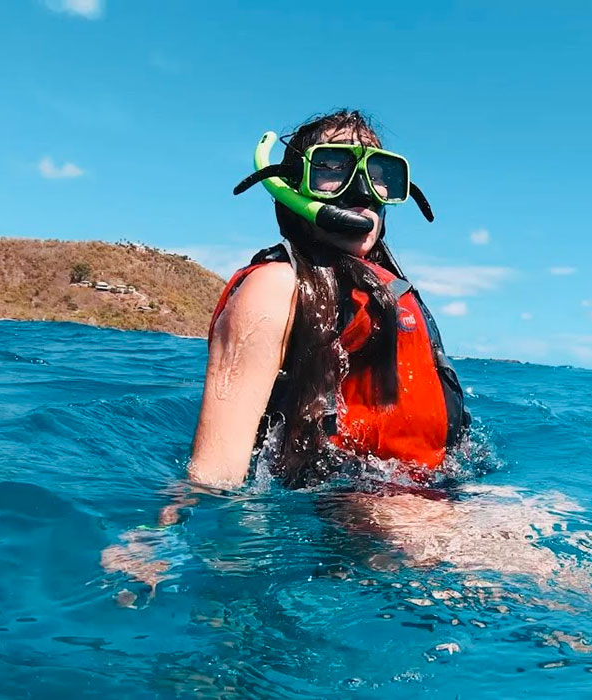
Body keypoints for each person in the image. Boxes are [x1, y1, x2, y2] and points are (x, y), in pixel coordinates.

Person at [188, 110, 471, 490]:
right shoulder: (275, 288)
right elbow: (213, 475)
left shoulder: (389, 291)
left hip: (436, 491)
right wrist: (153, 537)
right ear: (292, 188)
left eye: (379, 174)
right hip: (349, 511)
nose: (361, 191)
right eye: (332, 169)